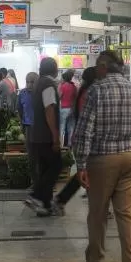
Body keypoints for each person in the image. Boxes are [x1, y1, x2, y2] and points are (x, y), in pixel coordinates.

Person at [73, 50, 131, 262]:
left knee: (98, 214)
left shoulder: (96, 91)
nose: (96, 69)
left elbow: (85, 130)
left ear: (104, 67)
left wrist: (81, 164)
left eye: (98, 65)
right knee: (127, 214)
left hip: (103, 159)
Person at [52, 66, 97, 216]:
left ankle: (63, 199)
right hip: (87, 139)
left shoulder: (84, 91)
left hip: (83, 137)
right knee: (86, 172)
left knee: (89, 172)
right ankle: (61, 199)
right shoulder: (88, 94)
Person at [24, 57, 62, 217]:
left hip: (36, 134)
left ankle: (45, 205)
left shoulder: (39, 83)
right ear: (54, 69)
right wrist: (55, 136)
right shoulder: (47, 84)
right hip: (45, 135)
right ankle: (36, 196)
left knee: (46, 168)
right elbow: (49, 110)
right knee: (55, 166)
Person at [58, 69, 78, 147]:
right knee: (71, 127)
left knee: (62, 127)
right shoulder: (74, 87)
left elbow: (59, 97)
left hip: (63, 109)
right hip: (72, 109)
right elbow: (76, 98)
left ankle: (60, 144)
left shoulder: (63, 86)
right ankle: (70, 144)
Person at [18, 72, 38, 138]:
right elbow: (19, 109)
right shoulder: (22, 93)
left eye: (32, 82)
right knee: (28, 145)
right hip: (26, 125)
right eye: (27, 82)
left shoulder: (40, 93)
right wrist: (21, 123)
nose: (29, 85)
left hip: (38, 126)